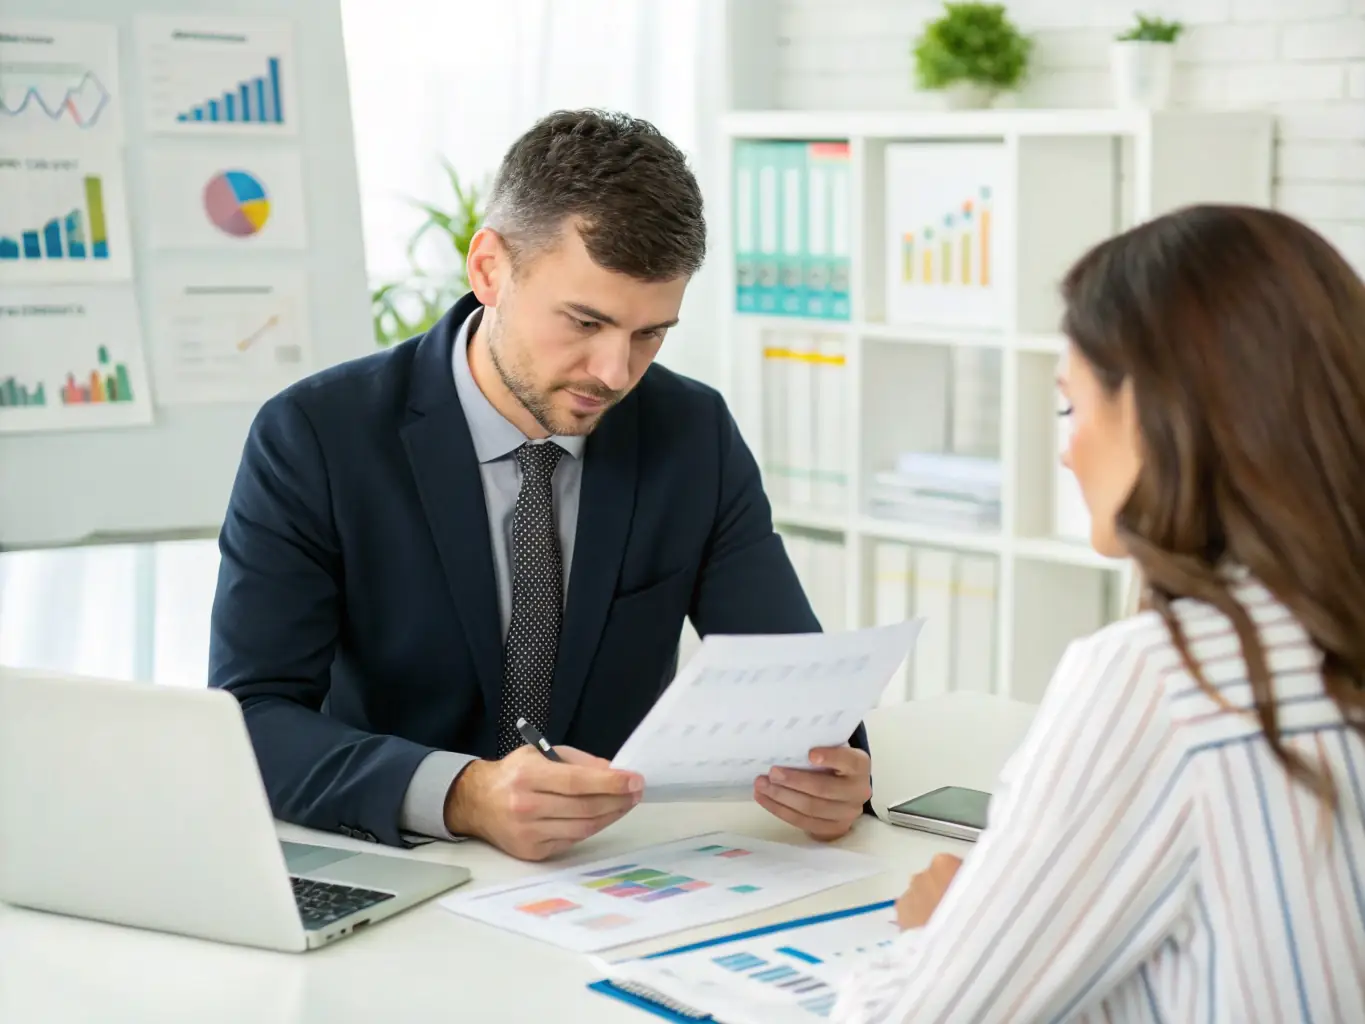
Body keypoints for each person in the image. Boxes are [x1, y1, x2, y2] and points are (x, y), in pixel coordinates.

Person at [208, 109, 872, 863]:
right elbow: (251, 717)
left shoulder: (692, 434)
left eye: (650, 333)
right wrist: (461, 794)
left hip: (611, 870)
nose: (614, 373)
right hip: (398, 861)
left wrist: (834, 770)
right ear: (489, 268)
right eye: (585, 322)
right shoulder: (317, 437)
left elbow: (792, 678)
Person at [833, 205, 1365, 1023]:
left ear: (1157, 415)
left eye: (1068, 407)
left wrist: (939, 934)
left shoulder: (1166, 679)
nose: (1064, 448)